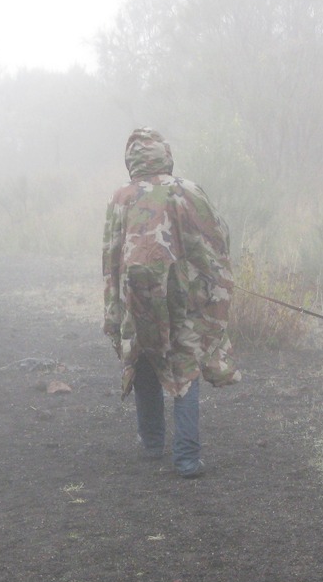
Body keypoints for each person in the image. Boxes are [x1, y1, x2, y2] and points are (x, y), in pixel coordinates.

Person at [102, 128, 241, 478]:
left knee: (143, 361)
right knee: (184, 367)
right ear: (165, 155)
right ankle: (187, 459)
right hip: (182, 299)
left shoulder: (121, 197)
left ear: (132, 159)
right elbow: (215, 239)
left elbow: (111, 257)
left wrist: (114, 308)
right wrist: (211, 283)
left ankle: (152, 444)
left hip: (135, 299)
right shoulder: (187, 191)